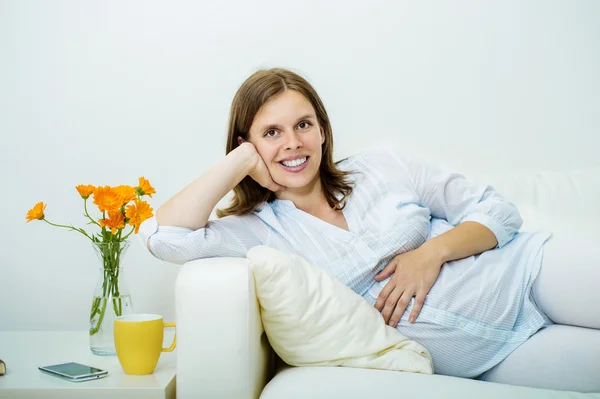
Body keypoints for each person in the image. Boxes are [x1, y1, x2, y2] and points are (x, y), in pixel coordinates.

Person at [139, 68, 600, 392]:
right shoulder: (256, 233)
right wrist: (239, 163)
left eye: (303, 125)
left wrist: (430, 252)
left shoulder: (384, 165)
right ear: (248, 144)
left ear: (322, 130)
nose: (294, 142)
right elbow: (165, 237)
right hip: (492, 359)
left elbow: (499, 212)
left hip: (531, 273)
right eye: (271, 133)